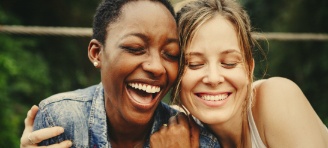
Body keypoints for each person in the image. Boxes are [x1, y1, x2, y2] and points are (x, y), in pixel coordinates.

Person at [19, 0, 220, 147]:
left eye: (171, 54)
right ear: (97, 53)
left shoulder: (195, 141)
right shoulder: (61, 122)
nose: (157, 67)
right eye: (135, 48)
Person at [151, 0, 328, 147]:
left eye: (229, 63)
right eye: (194, 64)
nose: (213, 78)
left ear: (249, 69)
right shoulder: (179, 129)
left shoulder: (277, 97)